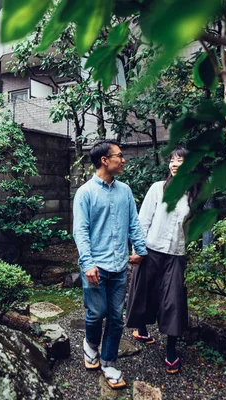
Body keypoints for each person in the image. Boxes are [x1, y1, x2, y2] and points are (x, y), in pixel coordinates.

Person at [73, 139, 148, 390]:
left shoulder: (125, 191)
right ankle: (90, 345)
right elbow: (80, 231)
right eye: (119, 155)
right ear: (105, 160)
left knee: (116, 318)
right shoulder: (85, 193)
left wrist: (140, 249)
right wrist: (88, 263)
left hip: (119, 266)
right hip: (95, 266)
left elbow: (133, 223)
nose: (123, 159)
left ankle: (108, 362)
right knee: (96, 314)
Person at [126, 146, 196, 374]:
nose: (175, 164)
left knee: (173, 301)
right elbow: (142, 220)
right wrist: (138, 249)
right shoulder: (158, 189)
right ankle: (142, 329)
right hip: (151, 250)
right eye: (173, 160)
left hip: (175, 254)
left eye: (181, 161)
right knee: (144, 292)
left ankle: (171, 349)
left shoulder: (194, 194)